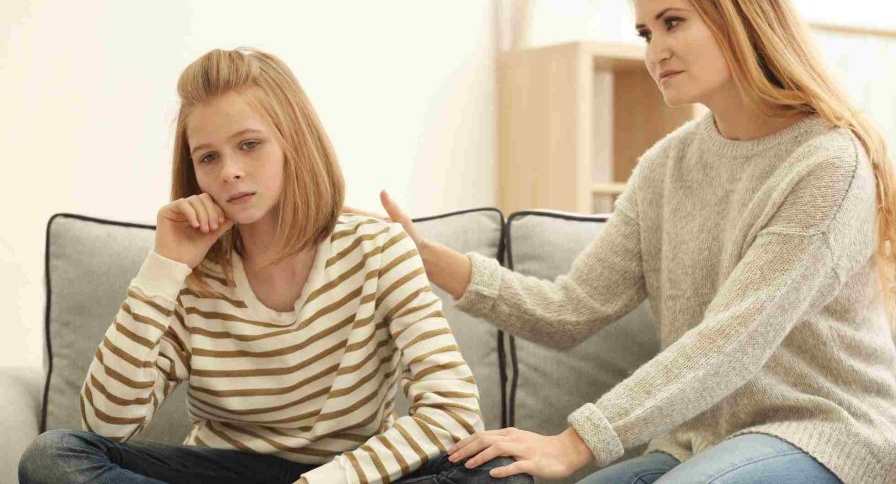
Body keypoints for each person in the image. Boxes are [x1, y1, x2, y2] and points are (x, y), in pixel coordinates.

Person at [368, 0, 896, 484]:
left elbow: (731, 342)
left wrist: (576, 443)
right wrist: (433, 261)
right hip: (698, 444)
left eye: (673, 23)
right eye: (644, 32)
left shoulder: (827, 164)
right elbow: (571, 309)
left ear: (740, 13)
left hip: (824, 438)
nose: (655, 51)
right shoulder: (667, 166)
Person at [19, 48, 532, 484]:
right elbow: (107, 426)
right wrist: (163, 269)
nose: (231, 171)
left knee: (505, 470)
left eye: (249, 145)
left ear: (294, 143)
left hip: (346, 475)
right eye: (208, 157)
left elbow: (454, 412)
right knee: (53, 458)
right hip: (223, 470)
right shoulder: (190, 272)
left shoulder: (379, 249)